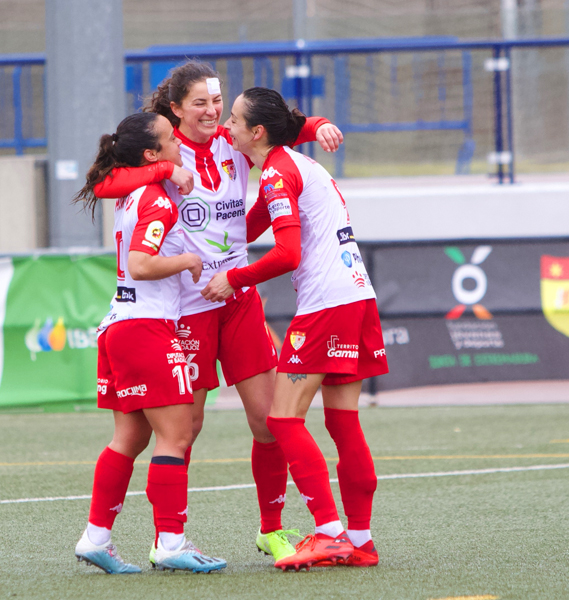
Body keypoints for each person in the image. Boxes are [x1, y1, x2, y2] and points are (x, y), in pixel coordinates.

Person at [93, 61, 345, 564]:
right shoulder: (161, 148)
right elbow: (105, 185)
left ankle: (270, 529)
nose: (212, 112)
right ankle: (169, 537)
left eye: (217, 101)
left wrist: (318, 127)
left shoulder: (235, 139)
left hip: (236, 298)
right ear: (176, 108)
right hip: (184, 309)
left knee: (270, 421)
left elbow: (284, 126)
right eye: (201, 103)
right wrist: (167, 169)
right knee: (184, 428)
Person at [202, 87, 388, 571]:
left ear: (256, 132)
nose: (227, 127)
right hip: (357, 297)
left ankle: (328, 532)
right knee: (343, 423)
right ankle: (360, 541)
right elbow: (249, 226)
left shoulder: (280, 173)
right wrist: (205, 241)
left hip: (326, 305)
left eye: (234, 120)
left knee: (282, 421)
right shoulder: (291, 165)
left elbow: (288, 255)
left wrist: (232, 278)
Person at [72, 111, 227, 575]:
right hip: (146, 327)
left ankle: (96, 537)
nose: (179, 144)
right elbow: (140, 264)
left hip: (121, 324)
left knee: (131, 436)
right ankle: (171, 543)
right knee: (176, 434)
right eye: (169, 140)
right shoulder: (157, 200)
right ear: (151, 154)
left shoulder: (134, 190)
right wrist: (187, 260)